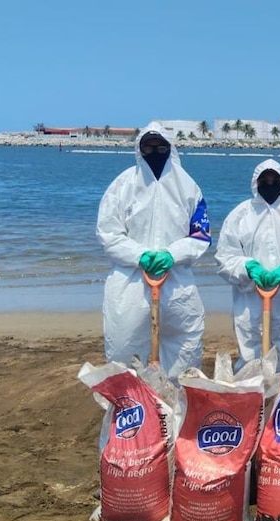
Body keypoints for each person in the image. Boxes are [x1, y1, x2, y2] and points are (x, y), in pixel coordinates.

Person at [96, 122, 210, 380]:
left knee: (184, 346)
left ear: (170, 148)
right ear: (140, 149)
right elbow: (108, 233)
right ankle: (132, 400)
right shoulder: (123, 185)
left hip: (177, 282)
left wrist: (173, 254)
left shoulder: (188, 187)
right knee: (125, 345)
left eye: (161, 147)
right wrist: (140, 256)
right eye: (149, 147)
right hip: (131, 282)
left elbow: (200, 235)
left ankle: (176, 399)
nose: (155, 152)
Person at [215, 159, 280, 371]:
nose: (270, 183)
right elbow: (225, 256)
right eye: (265, 179)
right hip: (251, 301)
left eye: (275, 179)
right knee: (252, 361)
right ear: (256, 182)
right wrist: (248, 267)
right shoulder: (239, 215)